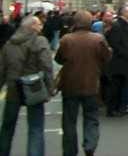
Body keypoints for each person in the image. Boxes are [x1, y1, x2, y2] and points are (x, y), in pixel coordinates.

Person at [55, 10, 112, 156]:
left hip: (70, 85)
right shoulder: (98, 39)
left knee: (69, 122)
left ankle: (69, 151)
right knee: (91, 118)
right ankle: (90, 145)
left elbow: (59, 59)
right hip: (91, 84)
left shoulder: (66, 39)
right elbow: (106, 57)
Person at [0, 15, 54, 156]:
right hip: (34, 87)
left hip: (13, 88)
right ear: (32, 27)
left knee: (7, 127)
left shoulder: (9, 44)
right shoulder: (40, 41)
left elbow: (2, 69)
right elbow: (47, 67)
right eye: (39, 25)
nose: (41, 27)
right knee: (35, 128)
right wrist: (49, 89)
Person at [104, 6, 128, 117]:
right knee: (116, 86)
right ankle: (112, 108)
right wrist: (124, 53)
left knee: (120, 85)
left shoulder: (123, 25)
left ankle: (116, 108)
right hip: (118, 62)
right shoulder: (118, 26)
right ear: (125, 13)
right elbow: (114, 43)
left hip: (122, 61)